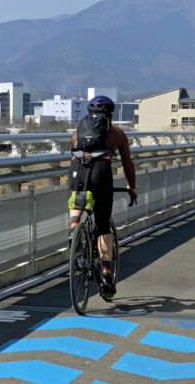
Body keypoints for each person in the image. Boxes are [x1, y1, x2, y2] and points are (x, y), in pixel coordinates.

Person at [68, 95, 137, 299]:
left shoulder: (77, 132)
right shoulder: (117, 134)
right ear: (111, 114)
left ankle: (74, 229)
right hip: (101, 173)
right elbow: (127, 163)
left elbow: (73, 156)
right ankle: (107, 275)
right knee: (103, 225)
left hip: (77, 170)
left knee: (77, 196)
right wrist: (132, 187)